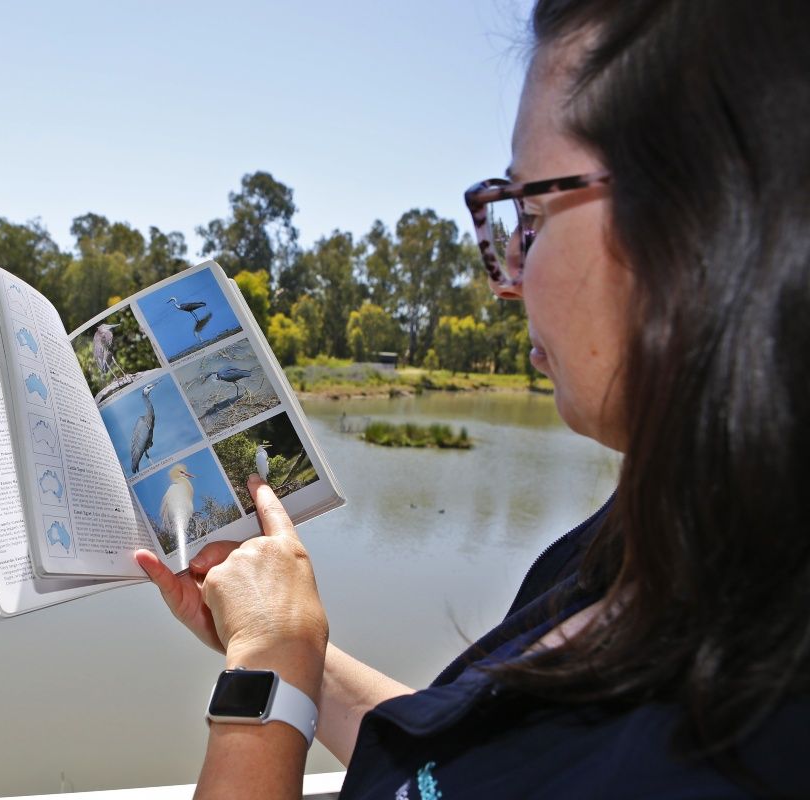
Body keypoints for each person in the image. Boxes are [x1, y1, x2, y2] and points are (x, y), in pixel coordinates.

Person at [135, 0, 810, 796]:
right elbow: (448, 772)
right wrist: (276, 639)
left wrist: (264, 677)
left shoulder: (729, 747)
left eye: (530, 213)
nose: (509, 278)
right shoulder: (659, 536)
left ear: (694, 224)